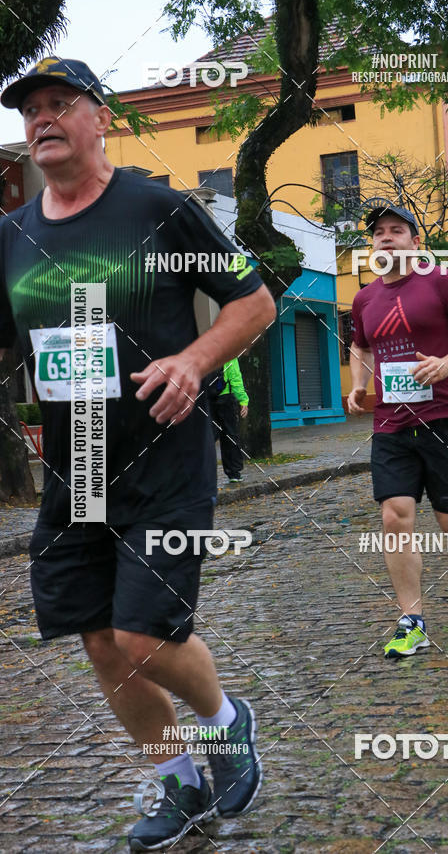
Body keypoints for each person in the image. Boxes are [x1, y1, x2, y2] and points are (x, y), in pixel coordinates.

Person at [0, 58, 277, 851]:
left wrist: (192, 361)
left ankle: (227, 725)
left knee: (143, 634)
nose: (42, 119)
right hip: (76, 462)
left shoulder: (160, 209)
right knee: (95, 635)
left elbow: (254, 302)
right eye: (31, 112)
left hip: (163, 456)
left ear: (100, 120)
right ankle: (179, 780)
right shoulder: (10, 236)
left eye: (61, 104)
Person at [347, 204, 448, 659]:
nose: (385, 238)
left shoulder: (442, 280)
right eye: (378, 232)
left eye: (396, 230)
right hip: (391, 424)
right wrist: (358, 386)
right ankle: (411, 620)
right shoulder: (364, 299)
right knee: (394, 516)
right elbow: (360, 345)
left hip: (445, 418)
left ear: (415, 242)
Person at [212, 357, 249, 483]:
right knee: (229, 434)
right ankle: (233, 472)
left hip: (207, 398)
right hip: (225, 397)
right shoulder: (229, 351)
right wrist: (243, 400)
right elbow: (235, 377)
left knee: (208, 436)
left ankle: (204, 473)